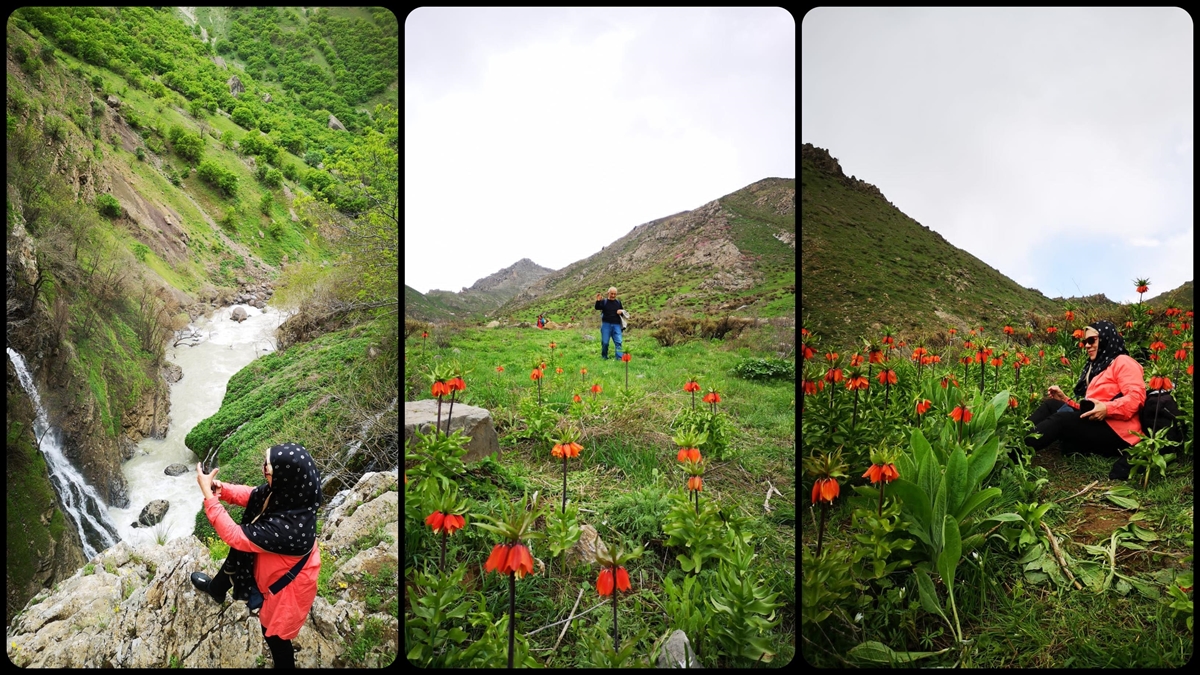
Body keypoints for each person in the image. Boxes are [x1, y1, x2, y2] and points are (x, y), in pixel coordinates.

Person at [192, 443, 323, 668]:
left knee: (274, 636)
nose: (263, 471)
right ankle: (216, 590)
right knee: (238, 558)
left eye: (268, 469)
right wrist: (222, 489)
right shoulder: (294, 494)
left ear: (284, 477)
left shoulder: (287, 529)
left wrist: (209, 498)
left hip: (286, 591)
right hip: (279, 569)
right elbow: (255, 495)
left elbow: (235, 536)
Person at [1023, 320, 1146, 479]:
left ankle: (1017, 450)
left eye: (1092, 340)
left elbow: (1136, 398)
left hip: (1118, 433)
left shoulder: (1123, 361)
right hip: (1101, 422)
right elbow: (1092, 407)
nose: (1087, 345)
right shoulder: (1101, 365)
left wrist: (1107, 409)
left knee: (1061, 420)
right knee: (1052, 404)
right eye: (1085, 342)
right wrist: (1065, 400)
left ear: (1106, 338)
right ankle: (1019, 435)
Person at [594, 287, 625, 360]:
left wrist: (621, 312)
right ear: (608, 293)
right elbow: (597, 307)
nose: (613, 295)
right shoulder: (604, 302)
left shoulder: (618, 302)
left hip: (616, 325)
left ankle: (619, 358)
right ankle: (604, 357)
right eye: (612, 294)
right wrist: (598, 301)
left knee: (618, 342)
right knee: (605, 343)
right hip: (606, 325)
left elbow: (622, 312)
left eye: (615, 294)